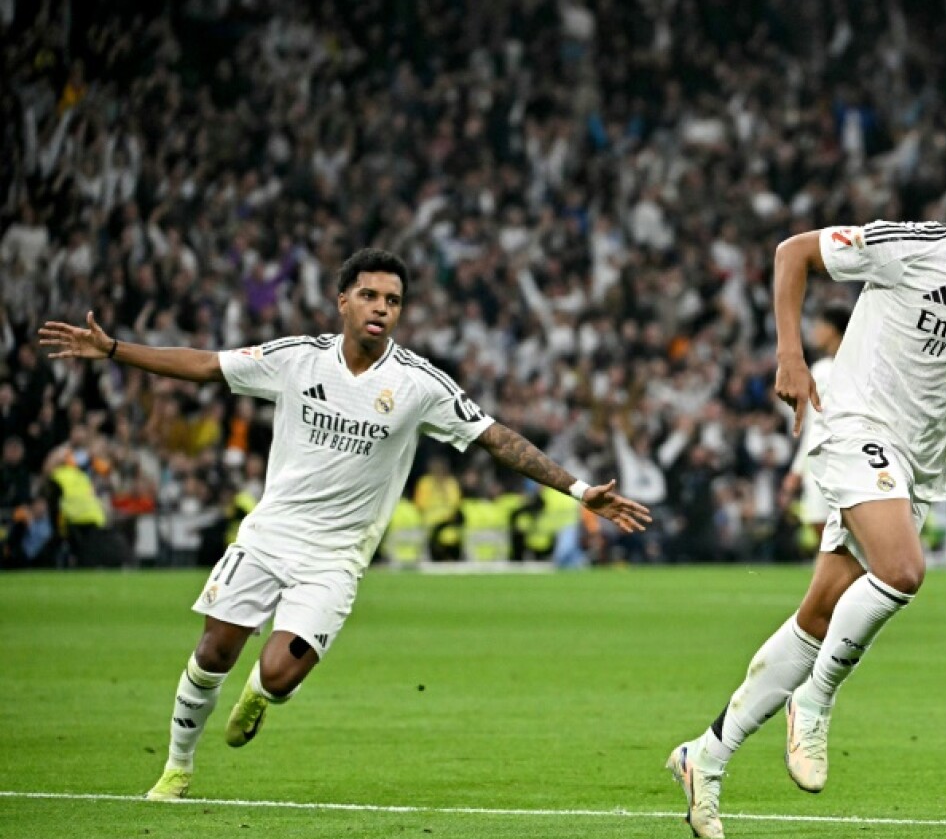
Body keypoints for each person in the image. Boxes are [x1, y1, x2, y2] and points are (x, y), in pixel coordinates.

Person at [39, 248, 652, 801]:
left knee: (276, 675)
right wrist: (115, 349)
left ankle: (263, 694)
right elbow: (205, 365)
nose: (381, 308)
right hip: (269, 535)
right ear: (343, 301)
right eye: (369, 296)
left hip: (335, 559)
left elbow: (494, 437)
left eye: (392, 301)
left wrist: (577, 489)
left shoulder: (418, 384)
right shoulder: (297, 359)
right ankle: (176, 770)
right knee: (212, 651)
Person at [667, 148, 946, 839]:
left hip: (920, 466)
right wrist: (789, 352)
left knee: (819, 613)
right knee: (902, 570)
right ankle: (813, 701)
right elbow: (793, 253)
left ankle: (706, 755)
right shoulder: (908, 247)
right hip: (856, 426)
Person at [781, 304, 852, 550]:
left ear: (833, 330)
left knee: (841, 528)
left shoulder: (858, 366)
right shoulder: (820, 370)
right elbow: (814, 423)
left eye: (820, 326)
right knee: (818, 524)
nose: (815, 331)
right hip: (821, 458)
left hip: (850, 456)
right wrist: (798, 469)